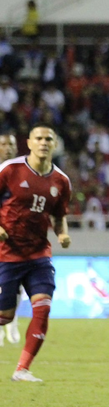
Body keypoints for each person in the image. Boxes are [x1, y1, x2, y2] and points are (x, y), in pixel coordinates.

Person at [0, 125, 71, 382]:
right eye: (39, 138)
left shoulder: (61, 181)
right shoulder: (10, 170)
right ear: (28, 142)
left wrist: (61, 233)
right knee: (5, 316)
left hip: (39, 254)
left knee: (42, 308)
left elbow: (58, 215)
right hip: (7, 253)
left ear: (55, 145)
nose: (43, 142)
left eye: (48, 139)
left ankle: (22, 369)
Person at [0, 133, 21, 347]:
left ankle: (12, 322)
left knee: (18, 284)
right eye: (3, 144)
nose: (7, 148)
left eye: (11, 145)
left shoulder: (23, 172)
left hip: (18, 235)